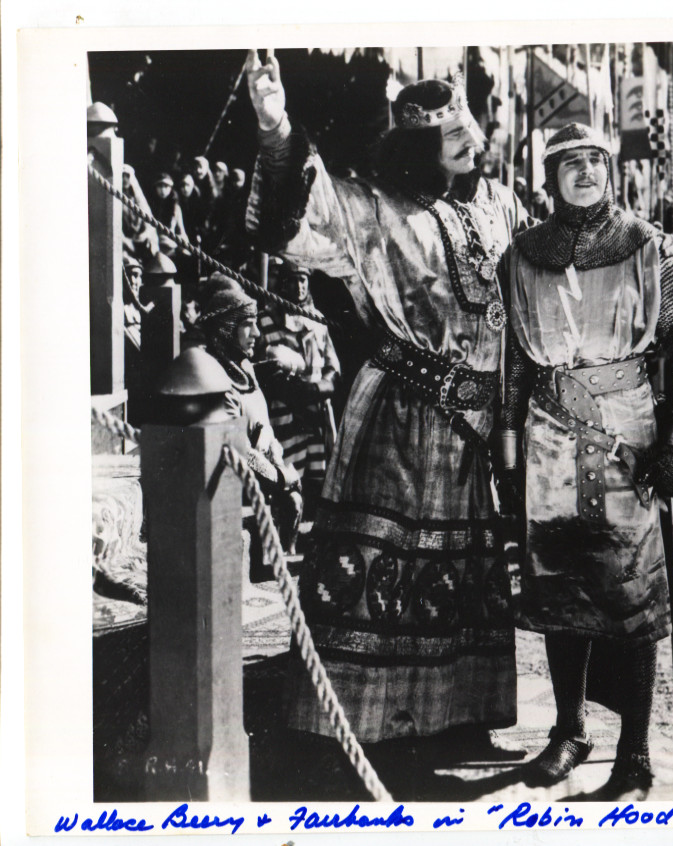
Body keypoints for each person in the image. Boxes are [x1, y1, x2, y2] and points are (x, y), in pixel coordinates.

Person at [243, 50, 527, 764]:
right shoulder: (373, 207)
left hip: (475, 428)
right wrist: (276, 129)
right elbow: (298, 215)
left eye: (469, 130)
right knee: (384, 561)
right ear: (416, 146)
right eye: (451, 136)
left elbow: (544, 270)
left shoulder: (498, 208)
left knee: (467, 568)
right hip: (399, 416)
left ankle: (460, 716)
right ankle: (368, 723)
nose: (470, 142)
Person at [498, 123, 673, 798]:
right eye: (570, 162)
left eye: (595, 160)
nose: (585, 171)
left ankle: (635, 750)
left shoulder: (644, 246)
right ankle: (569, 731)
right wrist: (508, 453)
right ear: (550, 177)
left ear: (610, 170)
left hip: (627, 438)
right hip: (549, 444)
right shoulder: (522, 255)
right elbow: (513, 365)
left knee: (632, 596)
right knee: (560, 588)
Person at [195, 274, 304, 551]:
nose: (256, 333)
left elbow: (262, 424)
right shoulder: (215, 379)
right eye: (247, 325)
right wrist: (282, 478)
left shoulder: (245, 368)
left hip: (263, 477)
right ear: (226, 329)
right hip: (233, 488)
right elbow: (240, 450)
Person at [254, 259, 342, 508]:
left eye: (302, 280)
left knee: (317, 470)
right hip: (285, 410)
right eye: (292, 280)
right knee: (287, 470)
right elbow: (260, 367)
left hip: (316, 408)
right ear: (282, 283)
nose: (298, 286)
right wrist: (292, 390)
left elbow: (333, 366)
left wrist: (318, 388)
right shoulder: (266, 321)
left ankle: (311, 521)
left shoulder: (318, 320)